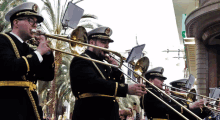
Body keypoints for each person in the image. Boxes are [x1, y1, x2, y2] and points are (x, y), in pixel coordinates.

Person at [70, 27, 147, 120]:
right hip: (90, 115)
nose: (107, 46)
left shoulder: (104, 64)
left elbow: (118, 82)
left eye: (108, 43)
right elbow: (93, 83)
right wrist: (126, 88)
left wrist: (115, 68)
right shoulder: (81, 59)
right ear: (91, 42)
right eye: (103, 42)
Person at [0, 2, 54, 120]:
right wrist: (39, 53)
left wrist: (47, 52)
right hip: (10, 108)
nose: (35, 25)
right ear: (16, 22)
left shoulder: (29, 49)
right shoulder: (3, 40)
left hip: (30, 108)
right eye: (31, 20)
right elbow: (11, 67)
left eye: (36, 22)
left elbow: (47, 75)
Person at [140, 67, 211, 120]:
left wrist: (166, 98)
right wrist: (190, 106)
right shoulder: (149, 92)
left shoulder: (155, 92)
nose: (162, 82)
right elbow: (165, 109)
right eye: (160, 79)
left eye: (163, 80)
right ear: (150, 80)